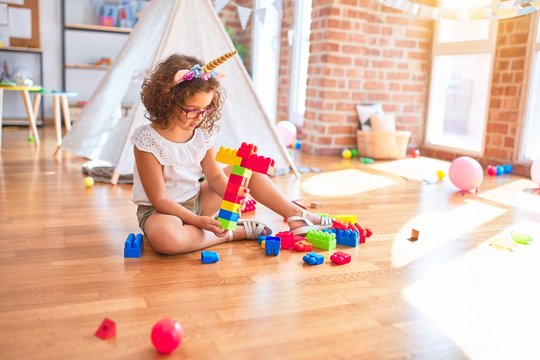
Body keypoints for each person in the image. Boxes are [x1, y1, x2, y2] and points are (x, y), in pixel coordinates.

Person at [131, 52, 332, 255]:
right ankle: (233, 233)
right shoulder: (148, 140)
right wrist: (197, 221)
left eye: (205, 109)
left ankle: (296, 215)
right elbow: (160, 199)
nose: (199, 117)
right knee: (167, 239)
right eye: (192, 109)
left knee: (247, 171)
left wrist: (234, 193)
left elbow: (216, 176)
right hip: (161, 213)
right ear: (167, 101)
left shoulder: (201, 136)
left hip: (198, 201)